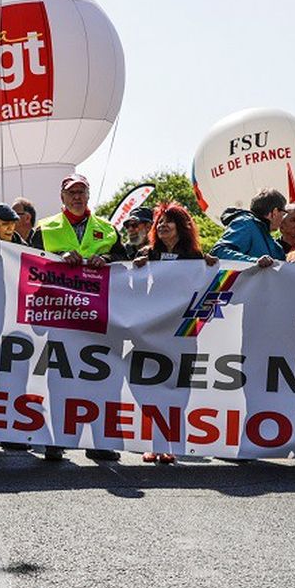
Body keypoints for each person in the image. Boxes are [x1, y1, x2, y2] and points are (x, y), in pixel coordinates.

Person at [31, 172, 125, 462]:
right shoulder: (44, 229)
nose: (77, 197)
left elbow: (126, 263)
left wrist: (106, 260)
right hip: (60, 317)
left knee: (102, 380)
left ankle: (101, 441)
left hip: (99, 319)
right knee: (59, 380)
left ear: (88, 195)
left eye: (82, 191)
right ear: (62, 197)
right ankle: (57, 439)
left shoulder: (109, 230)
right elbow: (27, 267)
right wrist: (58, 259)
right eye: (72, 192)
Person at [132, 201, 217, 464]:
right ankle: (155, 443)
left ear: (182, 227)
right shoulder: (148, 254)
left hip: (183, 333)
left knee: (178, 388)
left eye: (169, 221)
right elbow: (129, 286)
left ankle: (171, 445)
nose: (163, 225)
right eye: (160, 221)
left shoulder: (196, 258)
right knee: (147, 387)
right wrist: (136, 267)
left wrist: (211, 266)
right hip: (153, 332)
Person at [211, 188, 287, 267]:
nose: (283, 218)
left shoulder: (273, 243)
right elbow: (218, 252)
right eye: (283, 214)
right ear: (274, 213)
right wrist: (255, 262)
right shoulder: (246, 223)